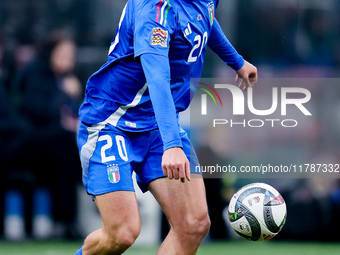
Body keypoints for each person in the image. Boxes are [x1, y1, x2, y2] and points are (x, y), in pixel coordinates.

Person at [76, 0, 257, 254]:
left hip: (158, 120)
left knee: (194, 224)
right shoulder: (155, 9)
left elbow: (206, 17)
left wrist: (236, 61)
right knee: (122, 234)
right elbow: (158, 78)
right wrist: (172, 145)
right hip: (113, 120)